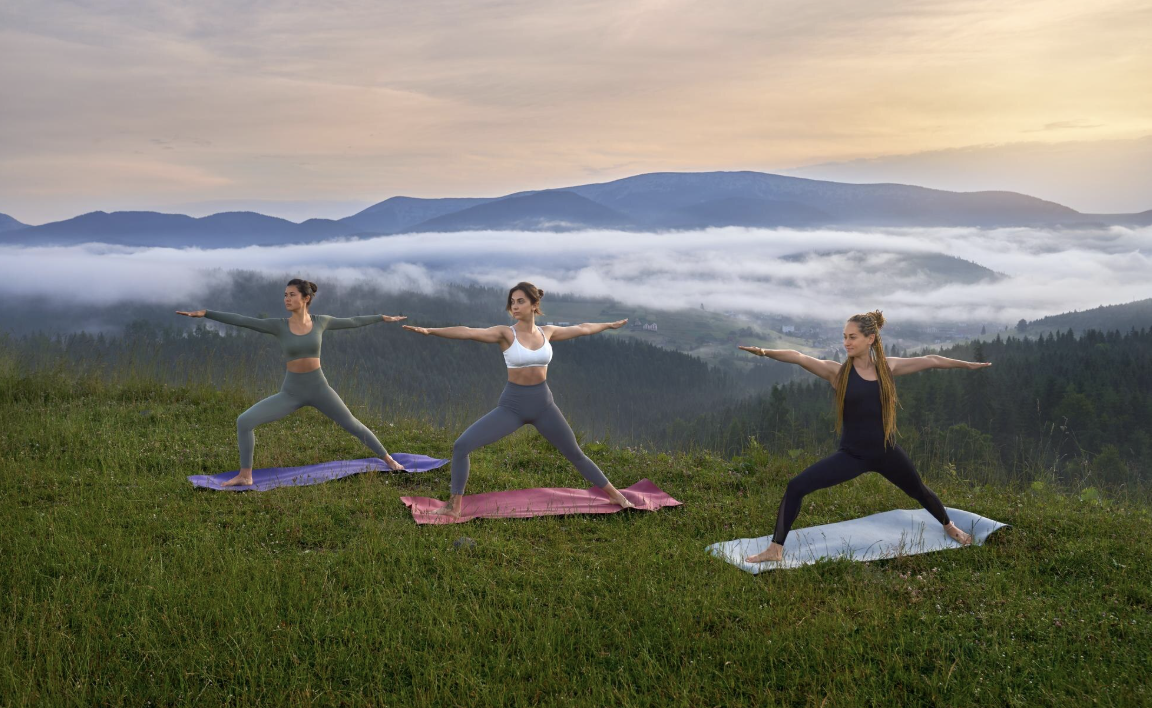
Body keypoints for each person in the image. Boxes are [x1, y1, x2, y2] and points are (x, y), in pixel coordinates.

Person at [739, 310, 989, 563]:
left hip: (886, 452)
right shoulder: (837, 373)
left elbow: (932, 360)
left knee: (920, 491)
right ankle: (775, 549)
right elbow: (799, 357)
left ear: (870, 339)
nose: (846, 342)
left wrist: (967, 365)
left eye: (852, 337)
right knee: (796, 487)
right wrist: (763, 351)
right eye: (844, 337)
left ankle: (949, 526)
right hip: (852, 455)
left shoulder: (888, 368)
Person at [402, 281, 635, 517]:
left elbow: (583, 328)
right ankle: (454, 506)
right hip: (512, 407)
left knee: (575, 453)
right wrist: (431, 331)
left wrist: (608, 324)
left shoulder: (548, 332)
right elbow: (469, 332)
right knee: (462, 445)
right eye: (512, 302)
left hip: (544, 406)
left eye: (520, 301)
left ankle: (616, 495)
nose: (515, 306)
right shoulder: (506, 333)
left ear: (535, 304)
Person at [177, 279, 407, 486]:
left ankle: (388, 459)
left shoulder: (321, 322)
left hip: (319, 388)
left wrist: (382, 318)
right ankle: (245, 475)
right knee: (244, 421)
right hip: (292, 392)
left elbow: (354, 321)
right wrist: (206, 313)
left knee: (352, 425)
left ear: (306, 298)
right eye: (285, 295)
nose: (286, 299)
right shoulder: (279, 325)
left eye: (292, 295)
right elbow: (243, 320)